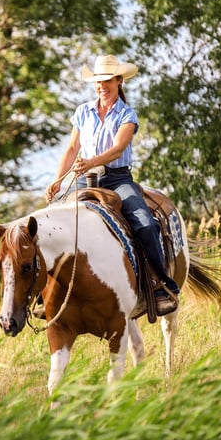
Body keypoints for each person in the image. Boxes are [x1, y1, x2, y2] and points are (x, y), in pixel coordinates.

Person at [44, 54, 180, 314]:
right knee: (54, 223)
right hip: (84, 178)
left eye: (107, 80)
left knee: (144, 223)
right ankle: (49, 292)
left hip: (117, 179)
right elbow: (72, 147)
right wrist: (58, 180)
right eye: (98, 81)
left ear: (119, 81)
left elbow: (118, 149)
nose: (101, 86)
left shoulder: (127, 114)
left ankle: (159, 284)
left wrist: (91, 161)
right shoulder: (83, 112)